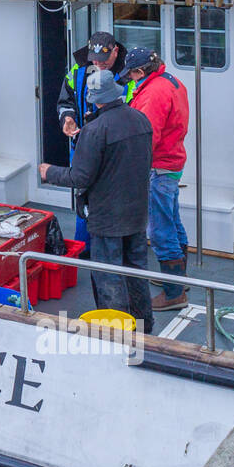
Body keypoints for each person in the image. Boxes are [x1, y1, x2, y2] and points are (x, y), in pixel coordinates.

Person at [39, 67, 154, 333]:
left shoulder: (94, 131)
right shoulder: (140, 120)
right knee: (137, 270)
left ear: (95, 99)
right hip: (136, 213)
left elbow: (80, 177)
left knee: (107, 274)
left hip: (107, 217)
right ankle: (145, 328)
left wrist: (49, 173)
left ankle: (115, 334)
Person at [124, 48, 191, 311]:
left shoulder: (152, 94)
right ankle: (178, 278)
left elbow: (146, 137)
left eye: (131, 74)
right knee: (173, 219)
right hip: (173, 162)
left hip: (158, 167)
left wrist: (130, 168)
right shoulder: (172, 82)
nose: (129, 79)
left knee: (160, 228)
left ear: (140, 72)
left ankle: (174, 293)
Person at [55, 31, 135, 252]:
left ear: (116, 51)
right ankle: (83, 247)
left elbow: (133, 113)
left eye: (104, 59)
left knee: (115, 199)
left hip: (116, 152)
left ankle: (115, 250)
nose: (98, 63)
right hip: (82, 146)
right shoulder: (78, 70)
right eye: (95, 58)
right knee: (83, 195)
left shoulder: (130, 75)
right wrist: (67, 118)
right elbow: (65, 101)